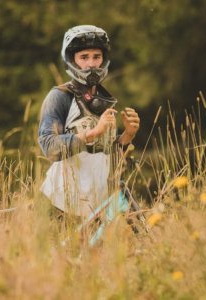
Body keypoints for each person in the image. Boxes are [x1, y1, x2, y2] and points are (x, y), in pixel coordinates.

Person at [38, 25, 140, 217]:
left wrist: (127, 136)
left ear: (104, 60)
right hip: (58, 205)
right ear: (72, 61)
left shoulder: (104, 100)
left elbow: (106, 158)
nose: (91, 64)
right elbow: (48, 147)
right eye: (84, 57)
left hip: (96, 210)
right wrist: (92, 133)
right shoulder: (59, 96)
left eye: (96, 57)